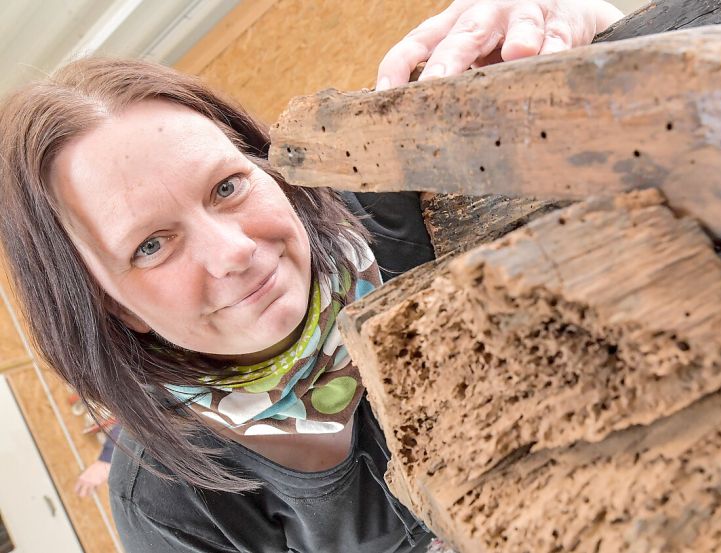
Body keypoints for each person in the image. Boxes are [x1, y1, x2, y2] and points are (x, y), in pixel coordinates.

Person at [0, 1, 623, 551]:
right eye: (152, 245)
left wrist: (579, 20)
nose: (234, 252)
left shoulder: (385, 193)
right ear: (114, 307)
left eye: (227, 186)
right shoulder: (170, 507)